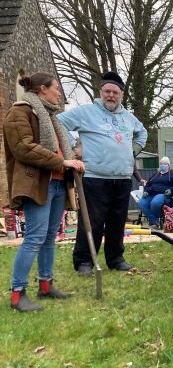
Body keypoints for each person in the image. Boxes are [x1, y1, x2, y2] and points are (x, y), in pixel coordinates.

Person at [3, 72, 85, 311]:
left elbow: (62, 150)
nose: (59, 93)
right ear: (42, 89)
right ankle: (18, 294)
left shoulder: (51, 116)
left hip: (58, 183)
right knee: (34, 238)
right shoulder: (20, 112)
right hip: (38, 183)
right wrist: (62, 162)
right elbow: (24, 148)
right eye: (56, 88)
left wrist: (74, 158)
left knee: (50, 237)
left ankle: (46, 284)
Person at [58, 71, 147, 275]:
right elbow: (59, 122)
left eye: (115, 92)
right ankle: (85, 261)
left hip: (123, 177)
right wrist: (72, 145)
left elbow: (143, 132)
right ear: (101, 92)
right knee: (93, 221)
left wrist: (133, 150)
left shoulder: (128, 117)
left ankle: (115, 258)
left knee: (117, 221)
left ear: (121, 95)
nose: (111, 96)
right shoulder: (87, 112)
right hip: (95, 177)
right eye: (107, 91)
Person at [139, 156, 173, 227]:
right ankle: (155, 221)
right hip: (151, 194)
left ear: (168, 165)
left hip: (164, 194)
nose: (163, 165)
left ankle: (161, 218)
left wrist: (171, 190)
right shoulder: (155, 175)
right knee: (142, 203)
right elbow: (148, 184)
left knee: (155, 202)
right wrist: (146, 191)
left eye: (165, 164)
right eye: (162, 164)